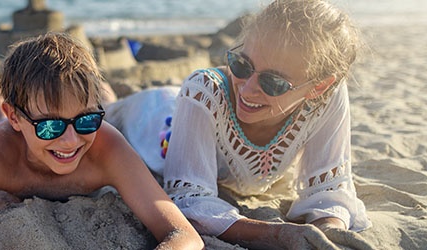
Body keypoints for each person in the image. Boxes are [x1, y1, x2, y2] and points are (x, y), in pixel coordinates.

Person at [105, 0, 373, 249]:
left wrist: (327, 230)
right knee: (108, 107)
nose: (247, 89)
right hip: (158, 120)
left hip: (186, 106)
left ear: (319, 87)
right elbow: (189, 202)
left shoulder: (328, 96)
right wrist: (278, 234)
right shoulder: (202, 92)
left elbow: (328, 189)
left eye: (273, 82)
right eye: (241, 64)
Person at [0, 33, 203, 250]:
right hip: (6, 131)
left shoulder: (107, 146)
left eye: (86, 120)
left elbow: (184, 235)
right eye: (50, 126)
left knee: (107, 107)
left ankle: (101, 98)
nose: (70, 140)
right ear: (16, 117)